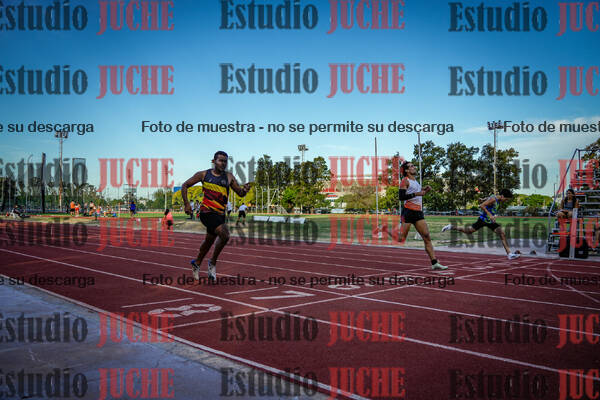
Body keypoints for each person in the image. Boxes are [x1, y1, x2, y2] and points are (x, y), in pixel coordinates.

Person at [182, 151, 250, 281]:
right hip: (206, 212)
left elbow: (240, 193)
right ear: (214, 161)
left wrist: (245, 190)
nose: (223, 163)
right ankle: (212, 262)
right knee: (225, 234)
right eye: (220, 160)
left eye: (225, 161)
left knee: (209, 241)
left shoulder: (229, 177)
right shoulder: (203, 174)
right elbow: (185, 185)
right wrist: (186, 204)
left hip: (220, 214)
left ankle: (197, 262)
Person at [381, 161, 448, 270]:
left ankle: (434, 263)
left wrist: (425, 190)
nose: (414, 167)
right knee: (401, 239)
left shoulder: (415, 182)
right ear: (407, 170)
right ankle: (385, 228)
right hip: (408, 212)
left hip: (418, 212)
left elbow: (418, 194)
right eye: (411, 166)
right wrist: (417, 193)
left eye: (413, 166)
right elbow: (401, 197)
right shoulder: (405, 181)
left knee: (427, 237)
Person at [442, 189, 521, 260]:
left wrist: (482, 199)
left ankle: (509, 254)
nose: (506, 201)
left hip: (490, 222)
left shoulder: (495, 198)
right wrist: (490, 215)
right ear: (502, 196)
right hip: (483, 220)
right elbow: (482, 206)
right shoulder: (494, 199)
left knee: (502, 233)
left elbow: (487, 198)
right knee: (469, 231)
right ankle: (451, 226)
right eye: (506, 199)